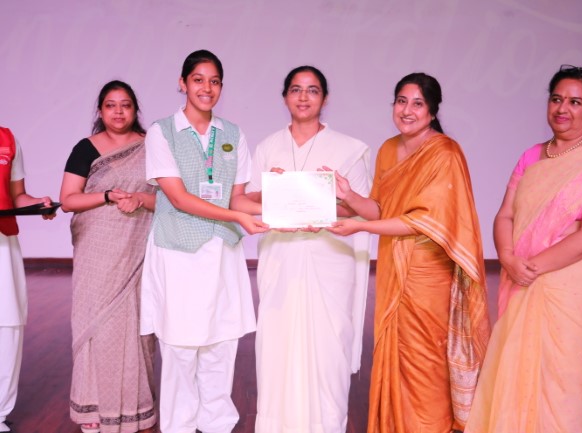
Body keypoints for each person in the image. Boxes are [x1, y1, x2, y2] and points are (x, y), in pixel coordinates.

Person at [464, 65, 582, 433]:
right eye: (556, 99)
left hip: (571, 280)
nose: (563, 108)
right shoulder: (532, 155)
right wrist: (507, 257)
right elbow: (505, 214)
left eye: (575, 102)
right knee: (514, 359)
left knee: (564, 372)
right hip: (522, 271)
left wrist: (529, 266)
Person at [328, 72, 490, 433]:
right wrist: (349, 196)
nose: (407, 110)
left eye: (418, 103)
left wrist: (360, 228)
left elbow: (424, 222)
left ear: (432, 111)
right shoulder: (388, 149)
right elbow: (379, 209)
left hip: (427, 273)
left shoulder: (445, 153)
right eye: (401, 101)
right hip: (393, 266)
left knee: (425, 357)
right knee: (394, 352)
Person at [140, 49, 268, 433]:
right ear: (182, 83)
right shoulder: (162, 132)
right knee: (180, 348)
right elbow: (178, 198)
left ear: (221, 87)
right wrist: (238, 217)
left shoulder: (232, 134)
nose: (206, 88)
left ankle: (217, 425)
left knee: (220, 345)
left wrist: (283, 205)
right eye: (198, 79)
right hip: (177, 251)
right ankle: (179, 426)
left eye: (214, 81)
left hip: (222, 253)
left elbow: (237, 198)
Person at [245, 65, 372, 433]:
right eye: (296, 90)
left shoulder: (350, 149)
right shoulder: (268, 146)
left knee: (329, 348)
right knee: (278, 345)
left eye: (312, 90)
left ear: (325, 99)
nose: (303, 97)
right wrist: (273, 189)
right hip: (281, 259)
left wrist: (330, 201)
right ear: (285, 96)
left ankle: (327, 425)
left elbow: (363, 209)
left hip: (329, 259)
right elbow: (249, 198)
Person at [60, 80, 157, 433]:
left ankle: (134, 408)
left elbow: (169, 198)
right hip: (96, 250)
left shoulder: (152, 147)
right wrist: (106, 196)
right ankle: (92, 407)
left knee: (135, 324)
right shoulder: (86, 148)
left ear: (135, 110)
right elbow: (69, 199)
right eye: (111, 105)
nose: (118, 111)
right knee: (96, 324)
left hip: (138, 248)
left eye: (125, 104)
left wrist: (139, 199)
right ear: (100, 111)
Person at [0, 127, 56, 433]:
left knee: (7, 325)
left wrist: (36, 204)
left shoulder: (8, 140)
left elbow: (16, 195)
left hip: (3, 242)